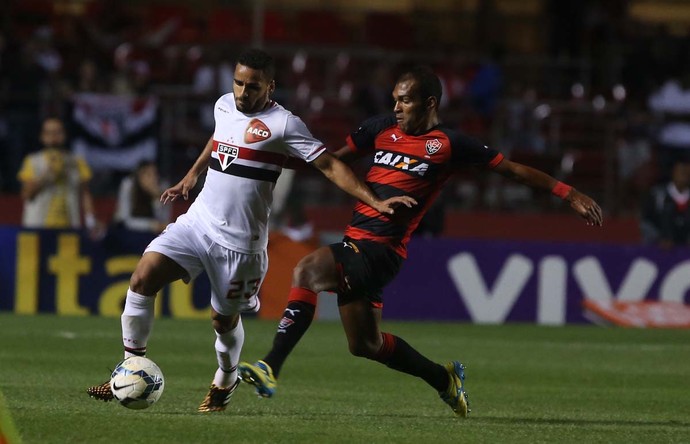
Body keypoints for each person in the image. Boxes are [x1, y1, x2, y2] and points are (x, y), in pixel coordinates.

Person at [238, 66, 603, 417]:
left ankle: (271, 366)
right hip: (358, 242)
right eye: (395, 99)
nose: (396, 107)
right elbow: (331, 162)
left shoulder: (450, 144)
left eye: (406, 101)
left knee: (307, 270)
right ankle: (443, 378)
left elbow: (512, 169)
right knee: (365, 345)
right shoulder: (380, 128)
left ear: (430, 103)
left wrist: (567, 193)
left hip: (381, 250)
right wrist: (264, 159)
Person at [85, 49, 414, 412]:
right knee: (142, 278)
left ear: (270, 87)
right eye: (239, 83)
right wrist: (192, 175)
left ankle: (225, 379)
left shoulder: (285, 124)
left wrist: (374, 200)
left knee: (222, 320)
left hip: (241, 245)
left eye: (253, 86)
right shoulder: (224, 104)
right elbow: (218, 136)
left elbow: (329, 165)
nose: (243, 92)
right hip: (199, 222)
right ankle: (129, 369)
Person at [16, 116, 102, 236]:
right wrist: (46, 175)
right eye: (49, 132)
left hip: (69, 227)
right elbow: (27, 195)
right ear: (42, 136)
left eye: (58, 132)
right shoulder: (33, 161)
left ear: (64, 135)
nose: (53, 136)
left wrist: (91, 221)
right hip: (38, 228)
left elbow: (85, 194)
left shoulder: (77, 162)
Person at [640, 160, 690, 248]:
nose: (683, 176)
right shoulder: (657, 195)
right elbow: (646, 221)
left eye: (686, 172)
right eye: (681, 171)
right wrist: (659, 239)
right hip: (659, 249)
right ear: (673, 173)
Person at [113, 160, 171, 233]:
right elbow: (125, 220)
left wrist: (156, 199)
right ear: (139, 176)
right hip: (127, 231)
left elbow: (163, 222)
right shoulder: (128, 185)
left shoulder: (163, 187)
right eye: (148, 175)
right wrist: (151, 225)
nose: (153, 179)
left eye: (155, 174)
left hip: (152, 233)